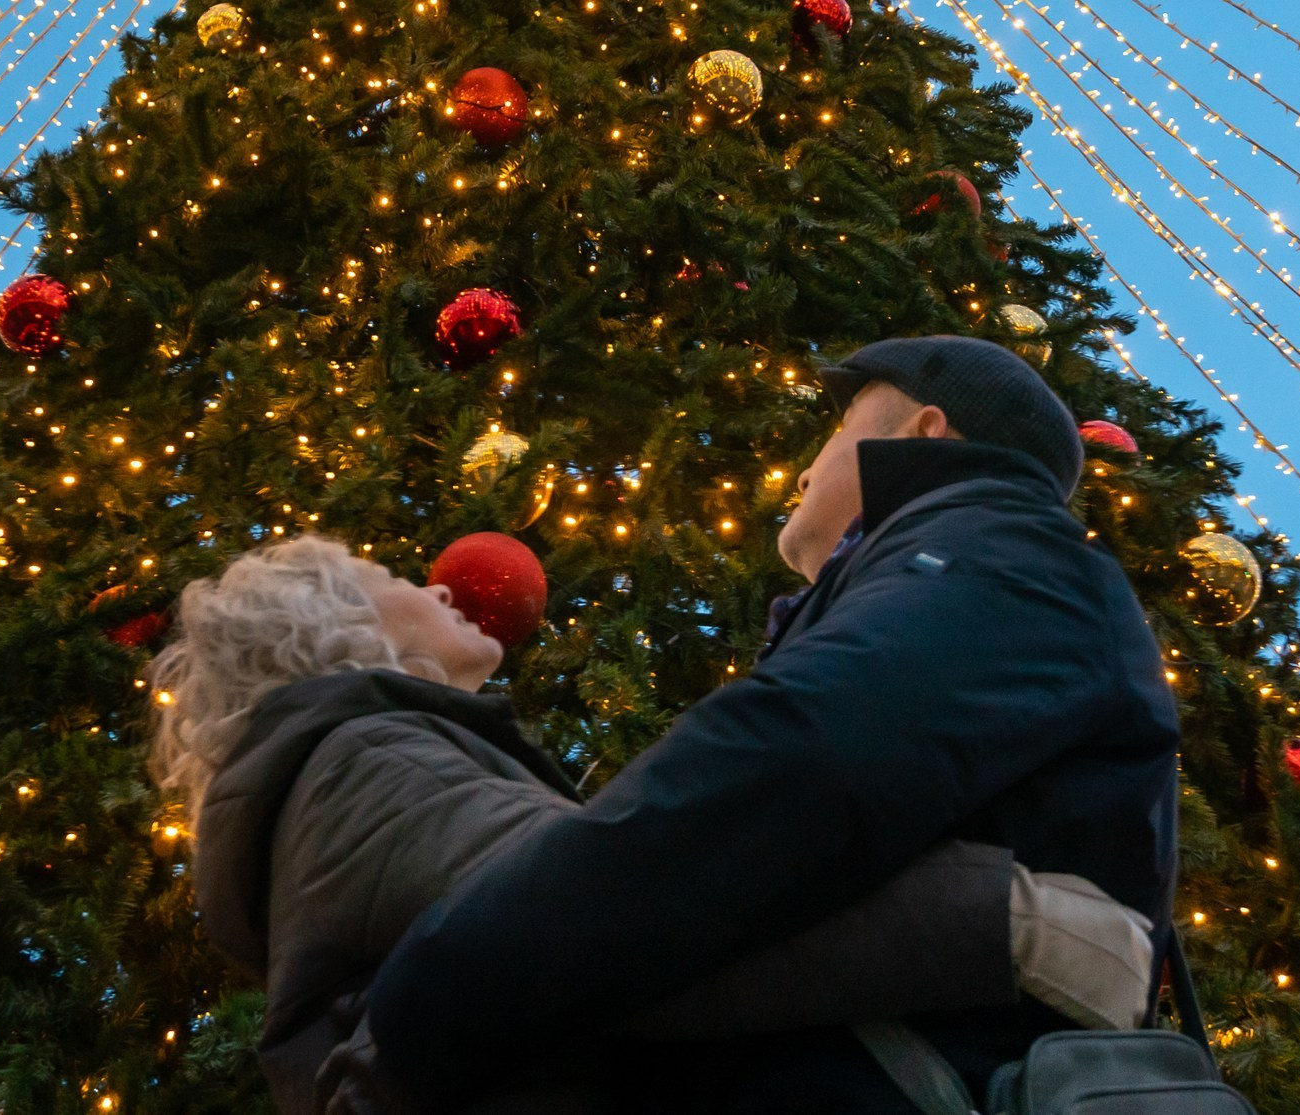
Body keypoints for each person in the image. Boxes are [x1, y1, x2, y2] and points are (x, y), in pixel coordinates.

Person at [350, 335, 1183, 1114]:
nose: (807, 465)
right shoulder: (956, 565)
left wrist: (436, 993)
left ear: (925, 430)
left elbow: (796, 763)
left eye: (839, 428)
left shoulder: (1005, 552)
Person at [149, 532, 1156, 1115]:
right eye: (392, 580)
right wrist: (1006, 920)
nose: (439, 581)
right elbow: (615, 922)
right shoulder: (366, 766)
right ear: (334, 632)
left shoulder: (351, 776)